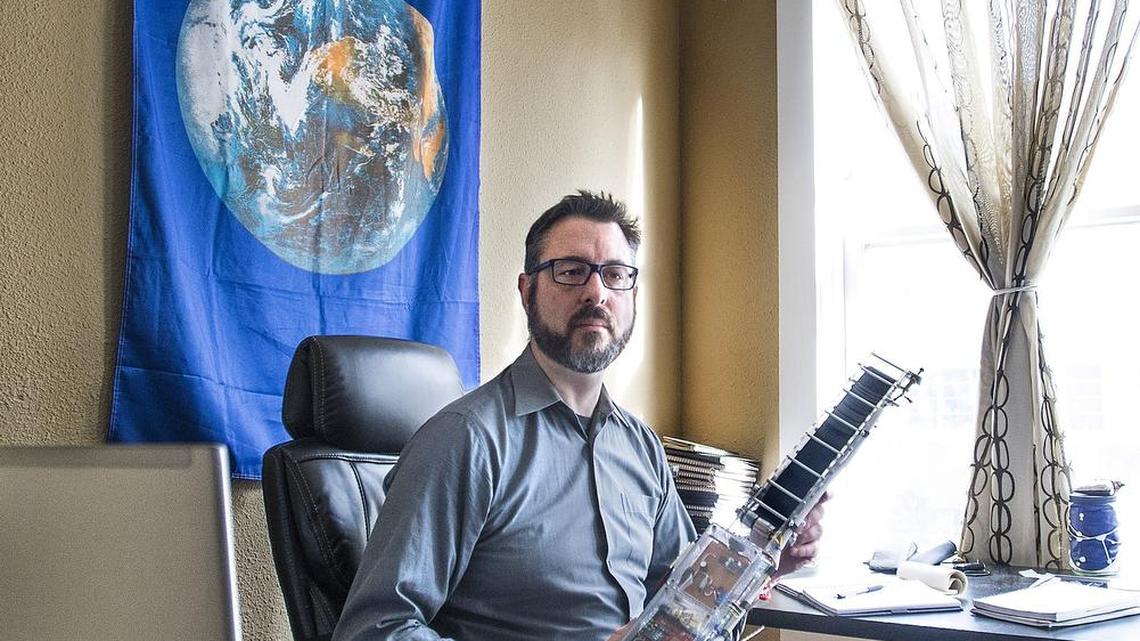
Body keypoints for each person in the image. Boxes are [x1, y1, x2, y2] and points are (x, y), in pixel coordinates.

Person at [332, 191, 825, 641]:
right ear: (527, 291)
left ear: (632, 296)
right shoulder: (466, 441)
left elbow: (681, 606)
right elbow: (373, 631)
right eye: (571, 271)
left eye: (615, 275)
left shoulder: (641, 447)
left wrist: (763, 561)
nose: (596, 293)